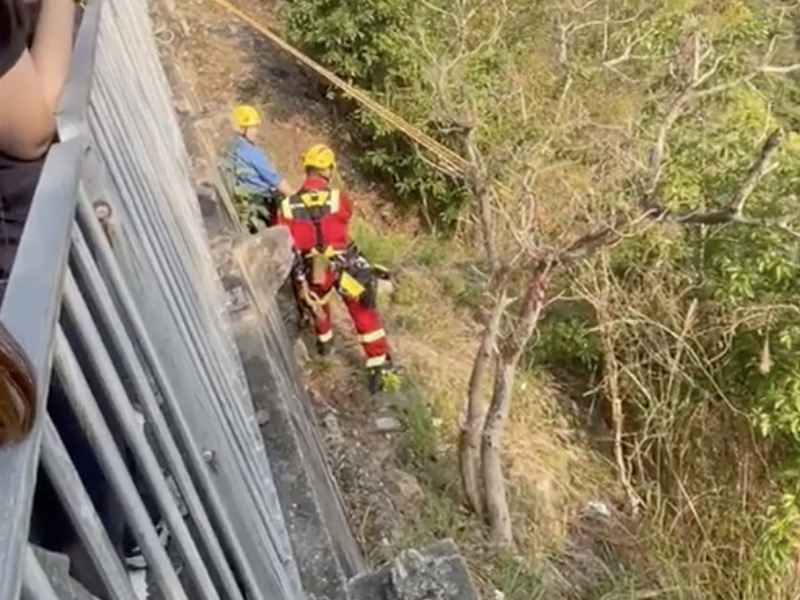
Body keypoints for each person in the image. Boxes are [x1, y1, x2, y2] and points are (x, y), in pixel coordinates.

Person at [275, 144, 399, 394]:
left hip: (313, 270)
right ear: (327, 170)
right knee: (363, 310)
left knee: (317, 303)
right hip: (344, 267)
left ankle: (324, 342)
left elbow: (287, 241)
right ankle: (377, 364)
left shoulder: (287, 206)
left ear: (307, 168)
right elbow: (344, 217)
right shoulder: (338, 198)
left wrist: (300, 278)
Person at [225, 104, 293, 230]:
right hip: (260, 202)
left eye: (255, 127)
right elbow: (272, 177)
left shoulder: (229, 147)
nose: (255, 131)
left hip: (243, 202)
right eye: (251, 127)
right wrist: (292, 195)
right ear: (241, 128)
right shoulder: (248, 150)